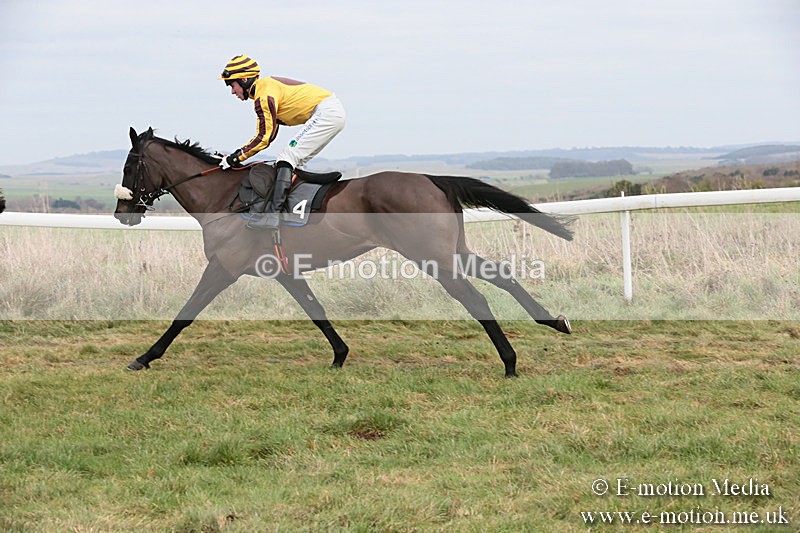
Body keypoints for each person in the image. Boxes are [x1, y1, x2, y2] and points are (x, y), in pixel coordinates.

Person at [218, 55, 346, 230]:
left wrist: (235, 158)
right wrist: (237, 155)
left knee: (286, 157)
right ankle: (295, 207)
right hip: (329, 112)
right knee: (293, 160)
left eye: (232, 85)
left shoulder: (264, 96)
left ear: (244, 79)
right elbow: (267, 136)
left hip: (326, 113)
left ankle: (273, 215)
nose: (232, 91)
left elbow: (263, 138)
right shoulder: (265, 90)